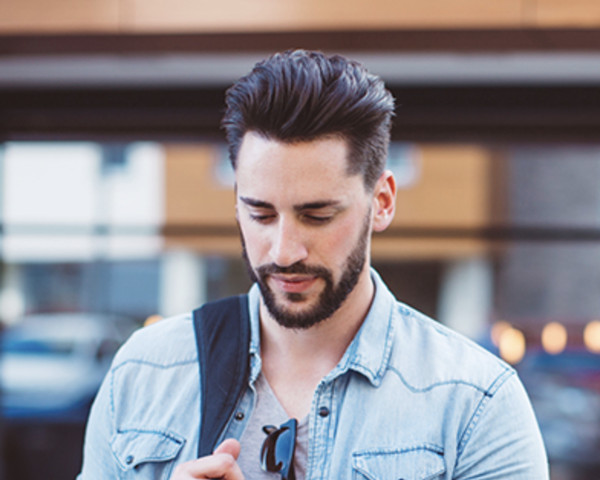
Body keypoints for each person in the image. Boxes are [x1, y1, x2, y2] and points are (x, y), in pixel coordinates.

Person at [78, 49, 549, 479]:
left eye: (317, 215)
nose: (284, 251)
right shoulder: (143, 373)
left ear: (381, 201)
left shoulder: (475, 403)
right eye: (260, 214)